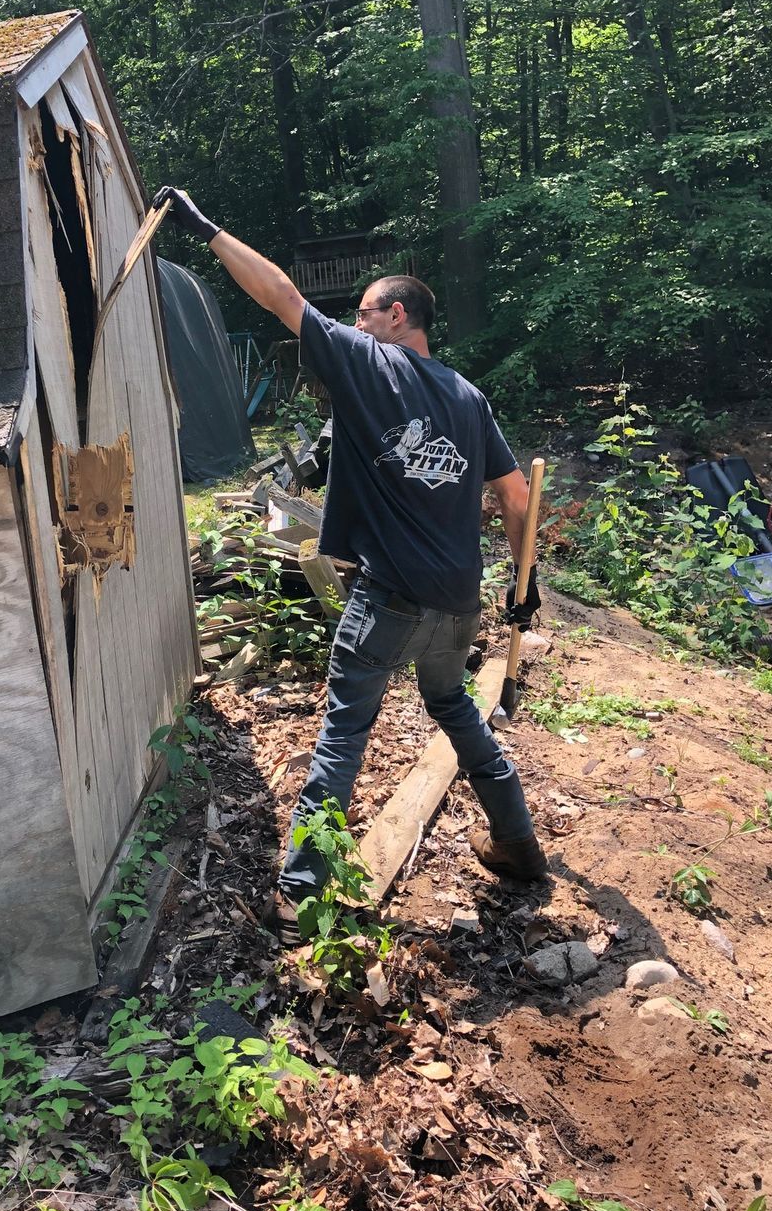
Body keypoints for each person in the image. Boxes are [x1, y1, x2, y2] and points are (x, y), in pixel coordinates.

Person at [152, 186, 547, 940]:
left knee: (343, 733)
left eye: (364, 312)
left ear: (396, 316)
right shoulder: (469, 397)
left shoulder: (369, 363)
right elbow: (516, 495)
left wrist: (207, 229)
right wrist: (524, 587)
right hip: (458, 604)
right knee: (455, 707)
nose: (355, 323)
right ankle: (518, 842)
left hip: (390, 597)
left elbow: (282, 296)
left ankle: (300, 892)